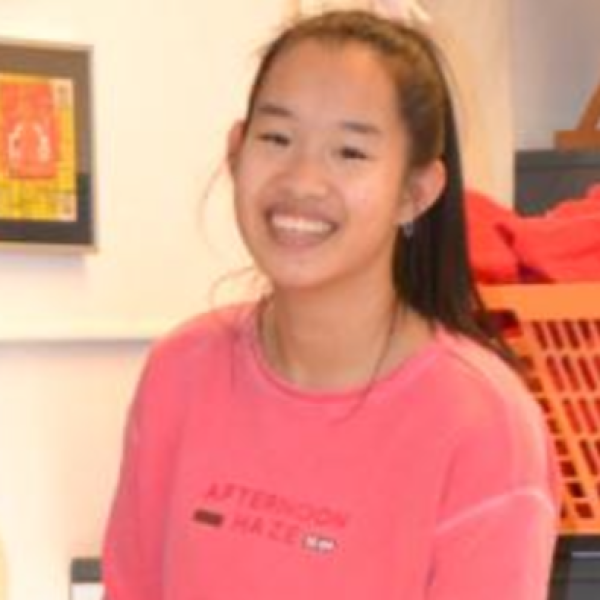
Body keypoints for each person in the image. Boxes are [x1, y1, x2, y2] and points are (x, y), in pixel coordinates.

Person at [102, 9, 559, 600]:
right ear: (236, 151)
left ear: (415, 192)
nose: (302, 181)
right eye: (277, 138)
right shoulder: (181, 372)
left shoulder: (481, 422)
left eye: (349, 152)